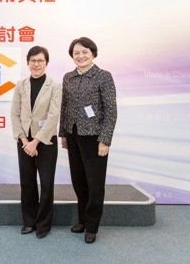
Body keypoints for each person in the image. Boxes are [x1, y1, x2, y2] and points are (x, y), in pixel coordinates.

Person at [59, 37, 117, 244]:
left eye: (84, 52)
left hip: (94, 138)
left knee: (95, 184)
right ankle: (83, 219)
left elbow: (111, 111)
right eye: (76, 53)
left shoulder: (103, 76)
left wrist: (105, 140)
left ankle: (92, 226)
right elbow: (64, 107)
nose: (80, 56)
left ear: (93, 53)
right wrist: (63, 134)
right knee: (79, 181)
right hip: (73, 136)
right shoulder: (68, 77)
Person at [11, 46, 62, 238]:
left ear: (46, 63)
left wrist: (36, 142)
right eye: (33, 60)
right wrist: (25, 140)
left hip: (46, 142)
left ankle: (43, 224)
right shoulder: (20, 85)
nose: (36, 64)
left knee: (47, 184)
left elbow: (53, 115)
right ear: (27, 63)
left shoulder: (55, 86)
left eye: (40, 60)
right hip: (24, 141)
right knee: (28, 182)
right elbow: (14, 114)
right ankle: (29, 221)